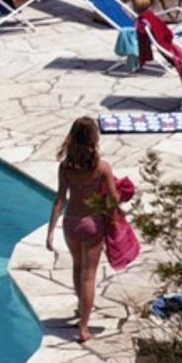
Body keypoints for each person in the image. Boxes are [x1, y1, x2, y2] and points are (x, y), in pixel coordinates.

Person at [46, 116, 119, 343]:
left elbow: (59, 199)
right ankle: (84, 327)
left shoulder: (66, 167)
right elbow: (113, 199)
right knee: (89, 275)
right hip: (91, 223)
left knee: (78, 268)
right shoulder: (101, 167)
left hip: (71, 223)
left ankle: (81, 307)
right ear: (94, 138)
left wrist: (50, 231)